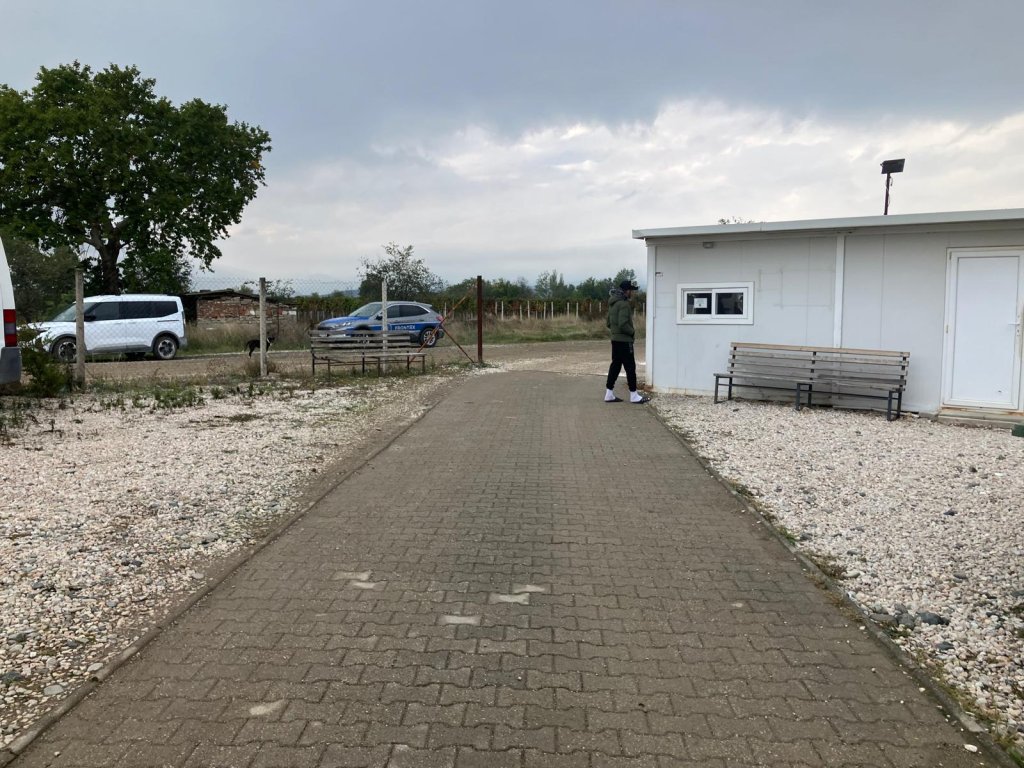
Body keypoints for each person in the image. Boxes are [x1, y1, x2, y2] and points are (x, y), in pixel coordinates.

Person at [605, 279, 649, 403]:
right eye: (631, 291)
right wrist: (632, 332)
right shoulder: (624, 304)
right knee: (630, 367)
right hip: (624, 341)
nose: (632, 293)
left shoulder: (613, 304)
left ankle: (609, 393)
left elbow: (608, 323)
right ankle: (634, 395)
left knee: (615, 366)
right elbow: (623, 323)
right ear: (627, 291)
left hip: (615, 340)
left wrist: (615, 332)